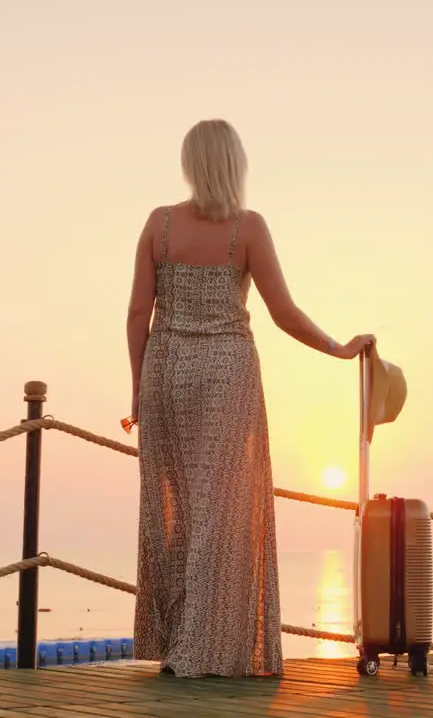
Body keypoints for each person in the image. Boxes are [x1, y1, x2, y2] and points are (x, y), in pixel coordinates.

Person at [124, 119, 375, 678]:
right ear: (235, 164)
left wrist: (137, 388)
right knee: (224, 511)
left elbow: (139, 314)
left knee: (174, 510)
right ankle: (208, 649)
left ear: (190, 164)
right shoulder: (248, 229)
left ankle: (179, 644)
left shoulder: (158, 225)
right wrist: (339, 348)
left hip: (165, 370)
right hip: (227, 374)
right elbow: (284, 314)